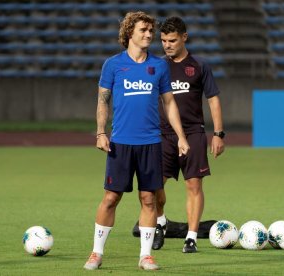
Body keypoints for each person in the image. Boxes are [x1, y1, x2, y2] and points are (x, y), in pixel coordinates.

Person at [83, 11, 190, 271]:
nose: (149, 34)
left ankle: (145, 256)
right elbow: (102, 101)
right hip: (120, 142)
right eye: (143, 30)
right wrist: (100, 132)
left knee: (149, 199)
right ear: (129, 32)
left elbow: (169, 103)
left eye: (150, 31)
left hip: (151, 142)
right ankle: (96, 253)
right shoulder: (113, 65)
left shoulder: (159, 65)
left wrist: (181, 137)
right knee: (111, 198)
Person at [152, 16, 225, 253]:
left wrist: (218, 133)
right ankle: (161, 222)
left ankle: (191, 237)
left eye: (172, 40)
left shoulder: (200, 66)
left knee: (193, 185)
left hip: (194, 133)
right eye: (163, 40)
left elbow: (213, 99)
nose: (167, 45)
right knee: (152, 187)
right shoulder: (157, 66)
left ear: (184, 37)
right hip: (162, 135)